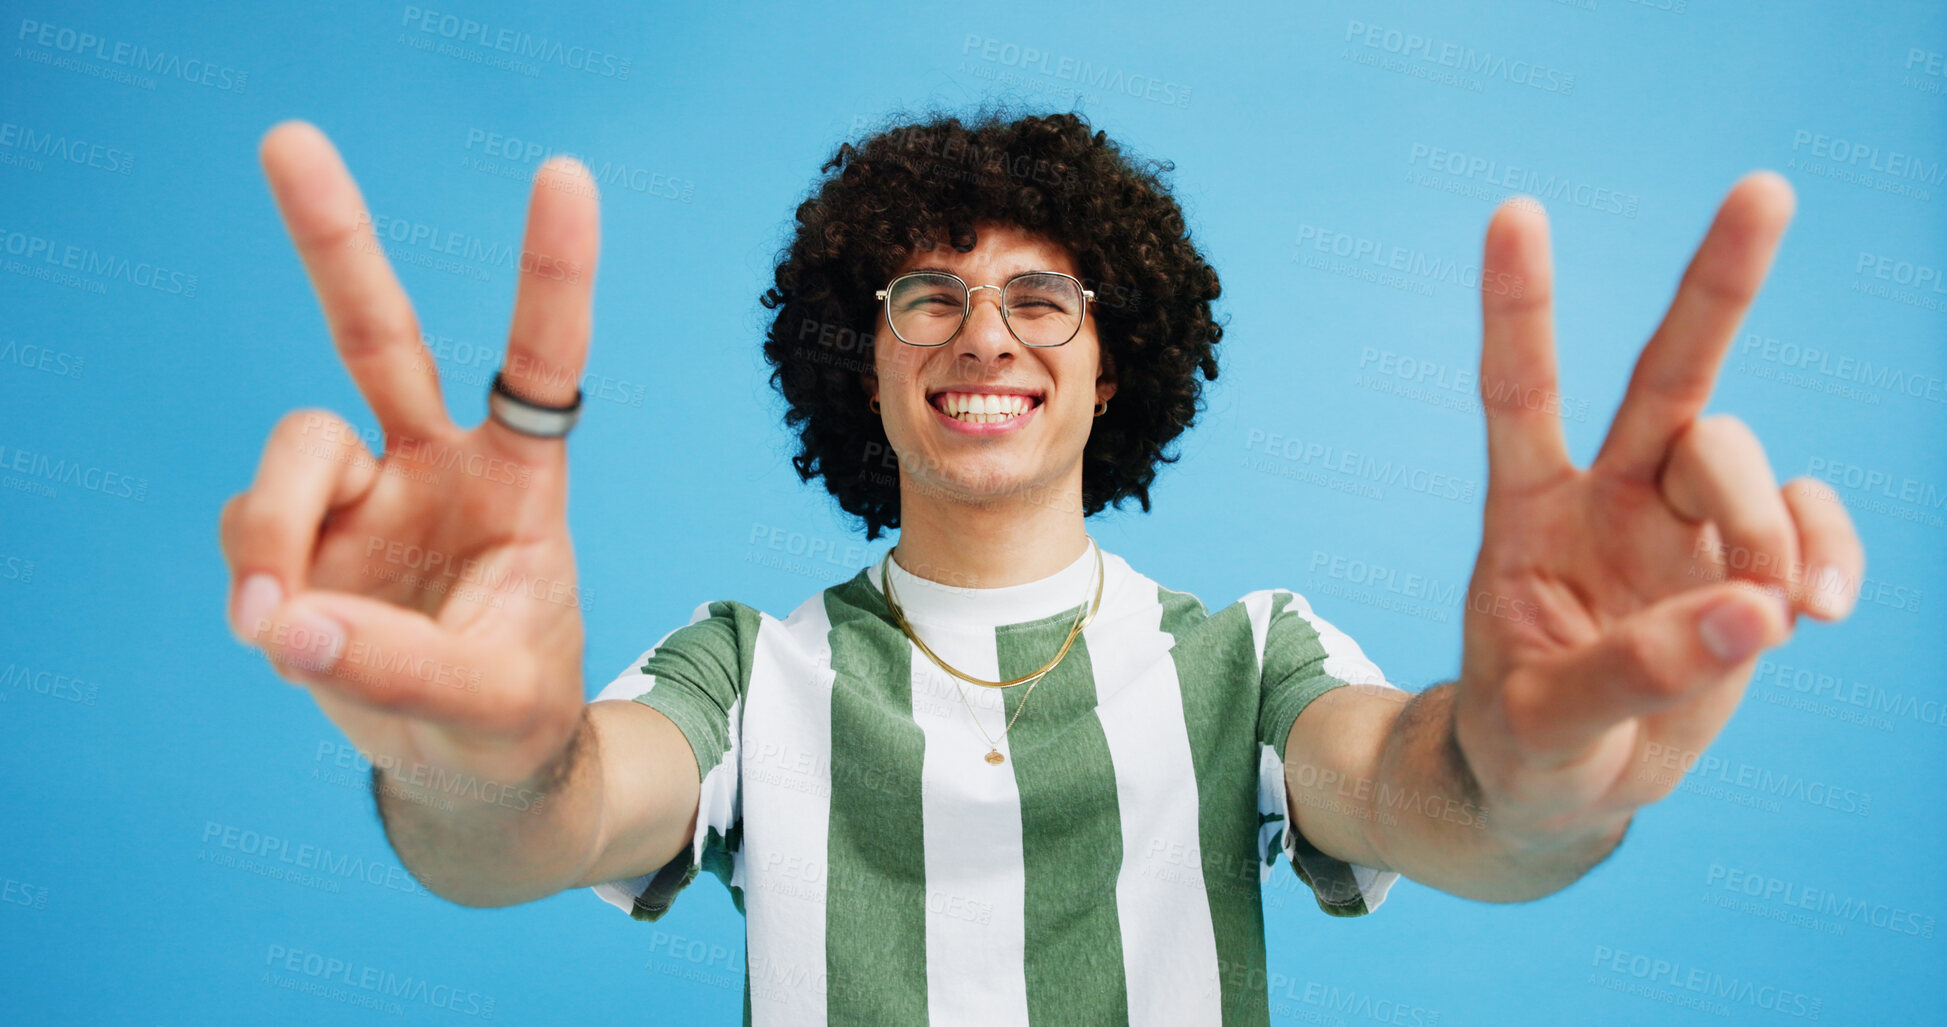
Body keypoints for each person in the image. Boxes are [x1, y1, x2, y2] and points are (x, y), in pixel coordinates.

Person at [218, 109, 1864, 1025]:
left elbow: (1438, 797)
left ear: (1110, 361)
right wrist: (473, 766)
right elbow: (544, 816)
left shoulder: (1252, 657)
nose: (980, 332)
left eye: (1041, 297)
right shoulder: (746, 670)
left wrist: (1543, 781)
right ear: (855, 365)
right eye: (923, 295)